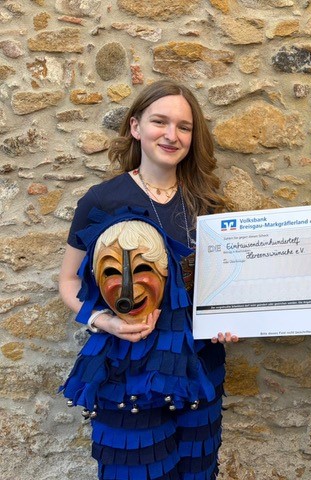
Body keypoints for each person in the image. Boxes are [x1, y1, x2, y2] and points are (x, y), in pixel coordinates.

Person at [59, 79, 238, 480]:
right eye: (160, 122)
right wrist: (103, 320)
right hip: (128, 368)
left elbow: (223, 286)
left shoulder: (207, 203)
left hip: (199, 364)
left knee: (197, 470)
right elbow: (68, 280)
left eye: (184, 127)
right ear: (136, 127)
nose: (172, 135)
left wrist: (230, 320)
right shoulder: (101, 200)